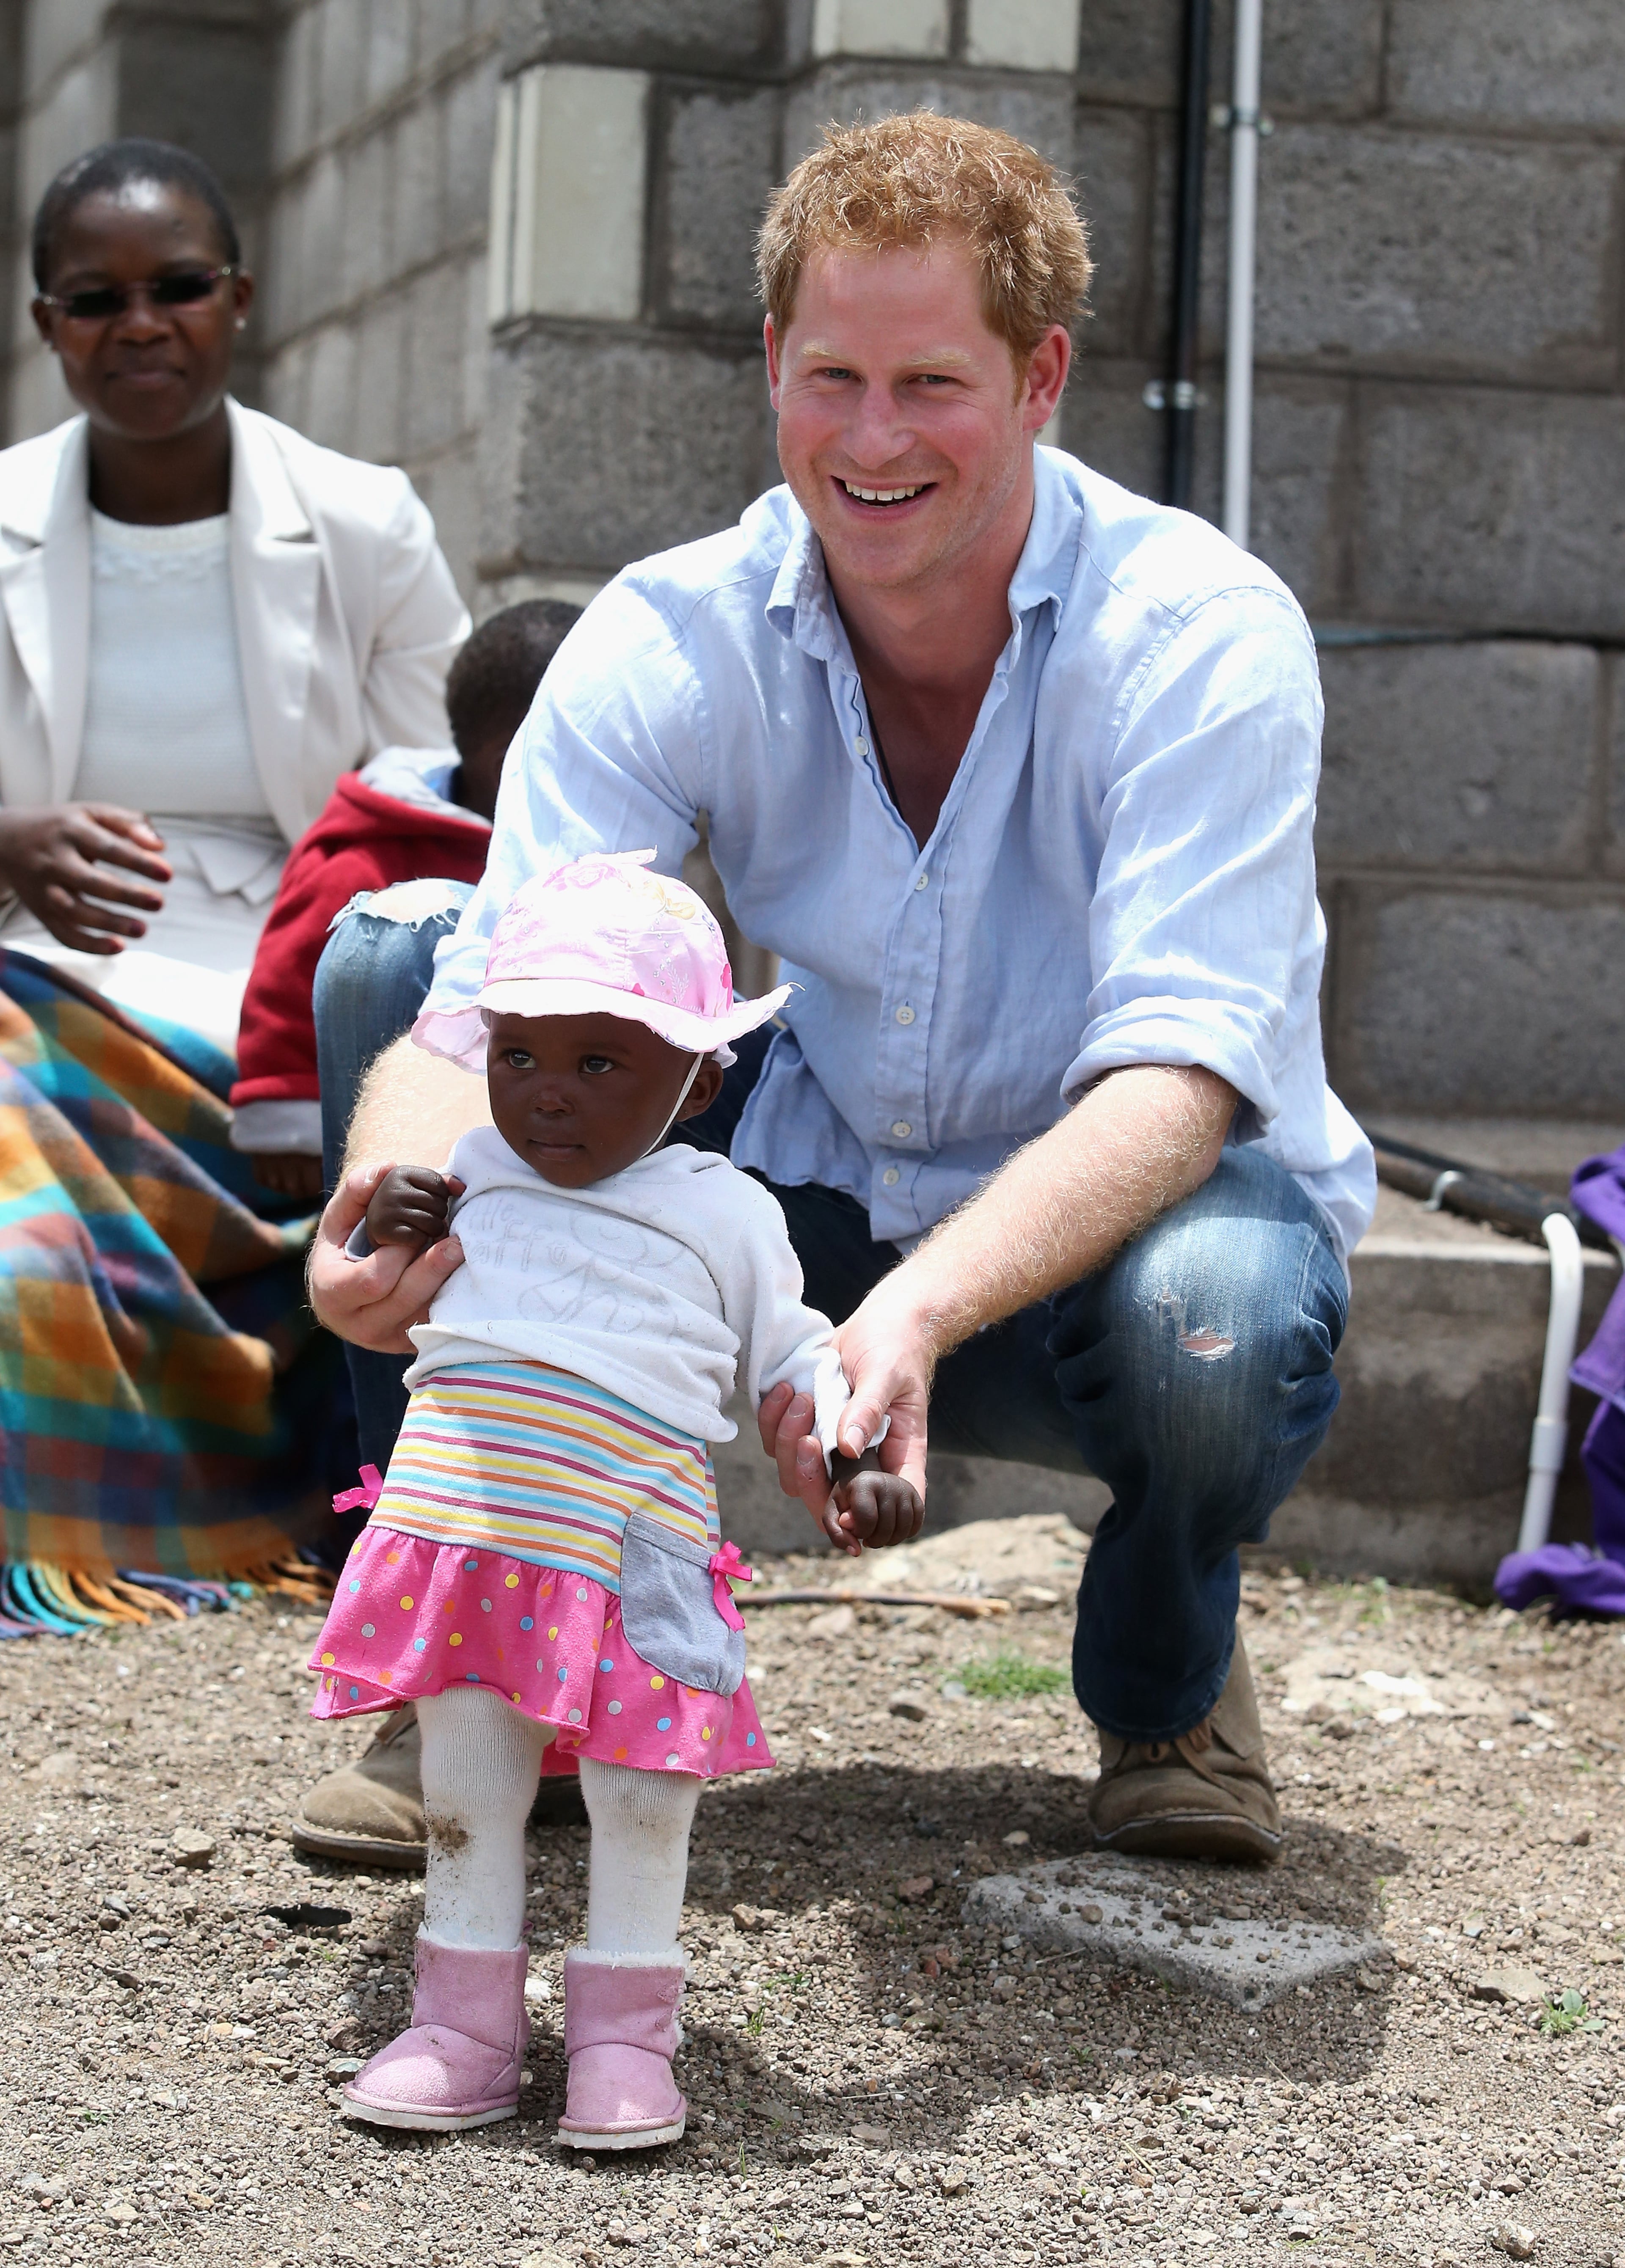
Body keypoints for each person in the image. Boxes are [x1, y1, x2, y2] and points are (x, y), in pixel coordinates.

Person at [300, 112, 1376, 1870]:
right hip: (806, 1196)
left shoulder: (1200, 633)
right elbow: (487, 989)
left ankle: (1169, 1680)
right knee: (395, 953)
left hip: (1105, 1243)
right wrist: (381, 1211)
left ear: (1042, 377)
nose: (872, 442)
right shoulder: (674, 628)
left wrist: (921, 1315)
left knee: (1224, 1322)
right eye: (832, 376)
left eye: (932, 383)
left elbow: (1186, 1074)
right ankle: (484, 1662)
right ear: (774, 370)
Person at [309, 851, 919, 2139]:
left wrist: (854, 1454)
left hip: (634, 1555)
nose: (548, 1095)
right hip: (471, 1537)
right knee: (470, 1793)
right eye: (520, 1053)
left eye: (601, 1063)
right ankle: (460, 2023)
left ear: (699, 1082)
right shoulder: (466, 1173)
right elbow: (363, 1309)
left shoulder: (729, 1213)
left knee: (644, 1795)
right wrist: (370, 1238)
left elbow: (797, 1359)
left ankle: (628, 2040)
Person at [0, 138, 467, 1606]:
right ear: (47, 328)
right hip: (44, 957)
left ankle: (271, 1509)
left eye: (178, 287)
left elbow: (441, 811)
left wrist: (299, 1004)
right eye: (95, 300)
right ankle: (71, 1528)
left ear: (240, 299)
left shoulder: (362, 523)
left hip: (294, 962)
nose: (141, 324)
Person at [229, 598, 583, 1200]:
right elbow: (285, 979)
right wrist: (284, 1104)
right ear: (511, 761)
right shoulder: (376, 849)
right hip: (384, 1116)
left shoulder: (591, 841)